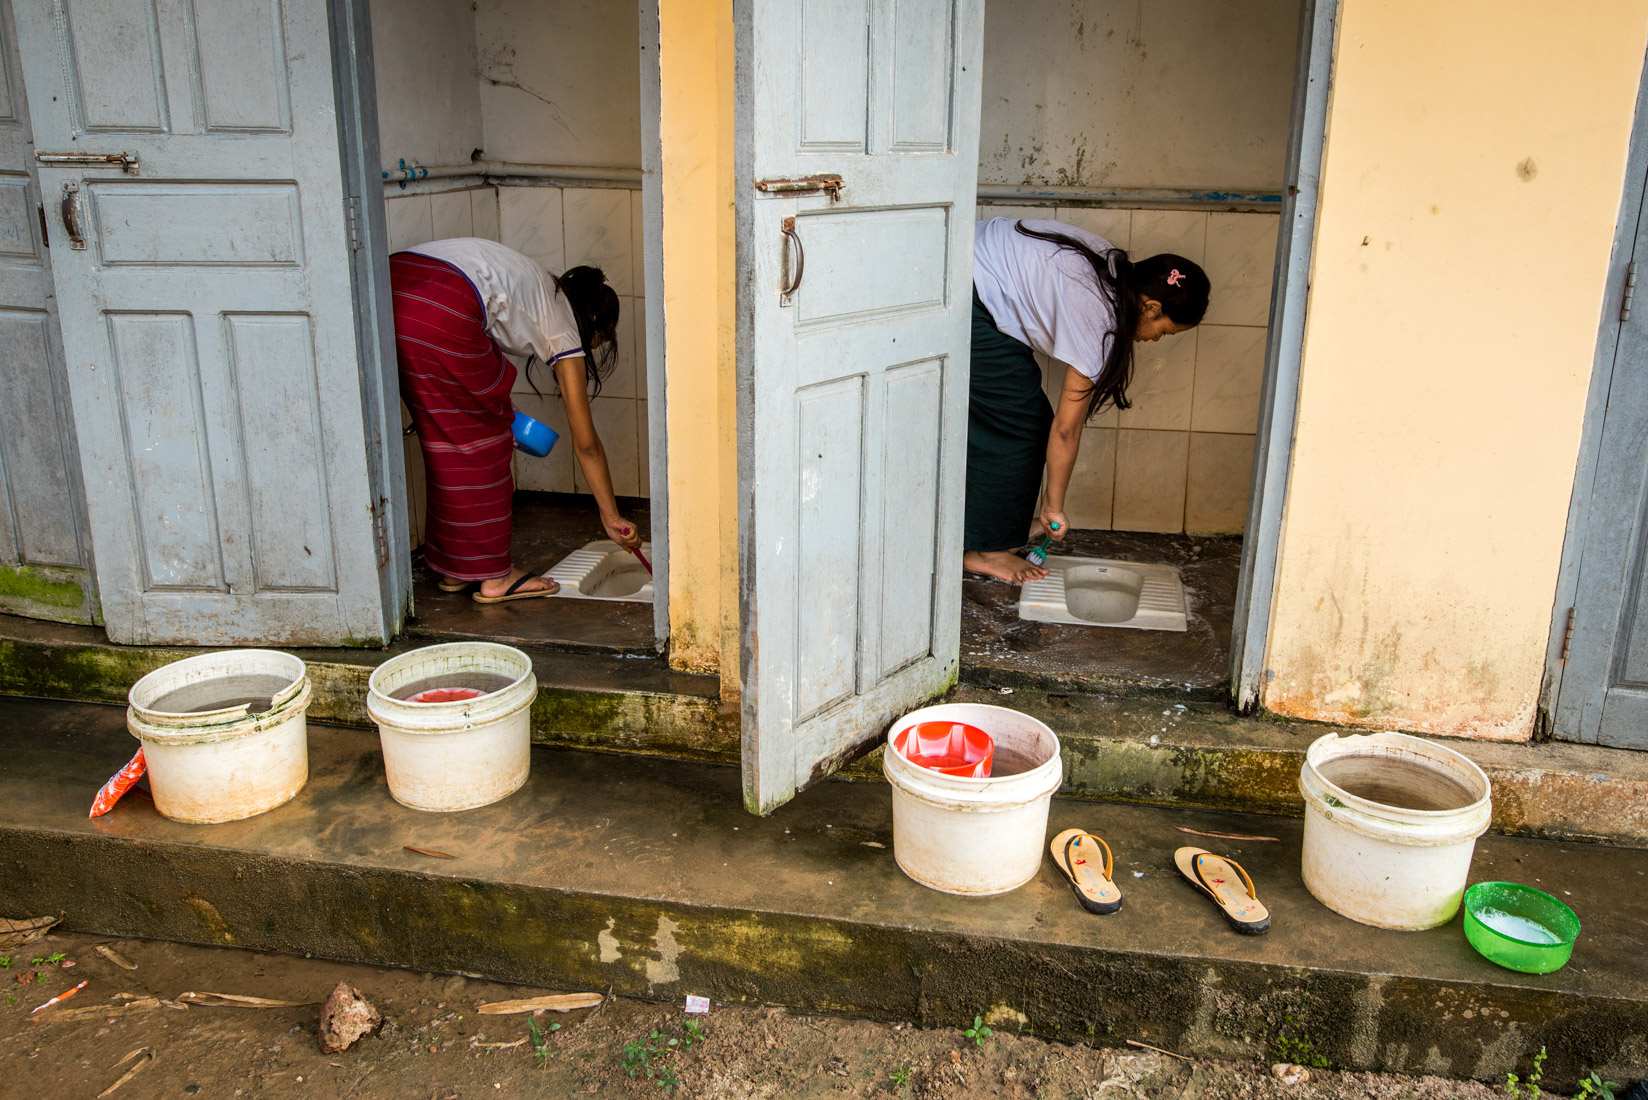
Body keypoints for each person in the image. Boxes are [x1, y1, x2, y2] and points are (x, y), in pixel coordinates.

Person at [390, 237, 643, 604]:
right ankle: (495, 575)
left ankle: (456, 569)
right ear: (590, 321)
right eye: (598, 340)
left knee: (446, 435)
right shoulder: (563, 324)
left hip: (393, 283)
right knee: (489, 434)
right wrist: (610, 515)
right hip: (445, 302)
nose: (589, 348)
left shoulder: (537, 283)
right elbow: (586, 442)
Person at [965, 218, 1210, 584]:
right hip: (963, 286)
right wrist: (1054, 507)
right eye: (1165, 331)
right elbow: (1066, 430)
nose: (1157, 340)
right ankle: (987, 551)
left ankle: (998, 528)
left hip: (964, 258)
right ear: (1151, 307)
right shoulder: (1100, 321)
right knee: (1019, 424)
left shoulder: (1111, 266)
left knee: (1019, 417)